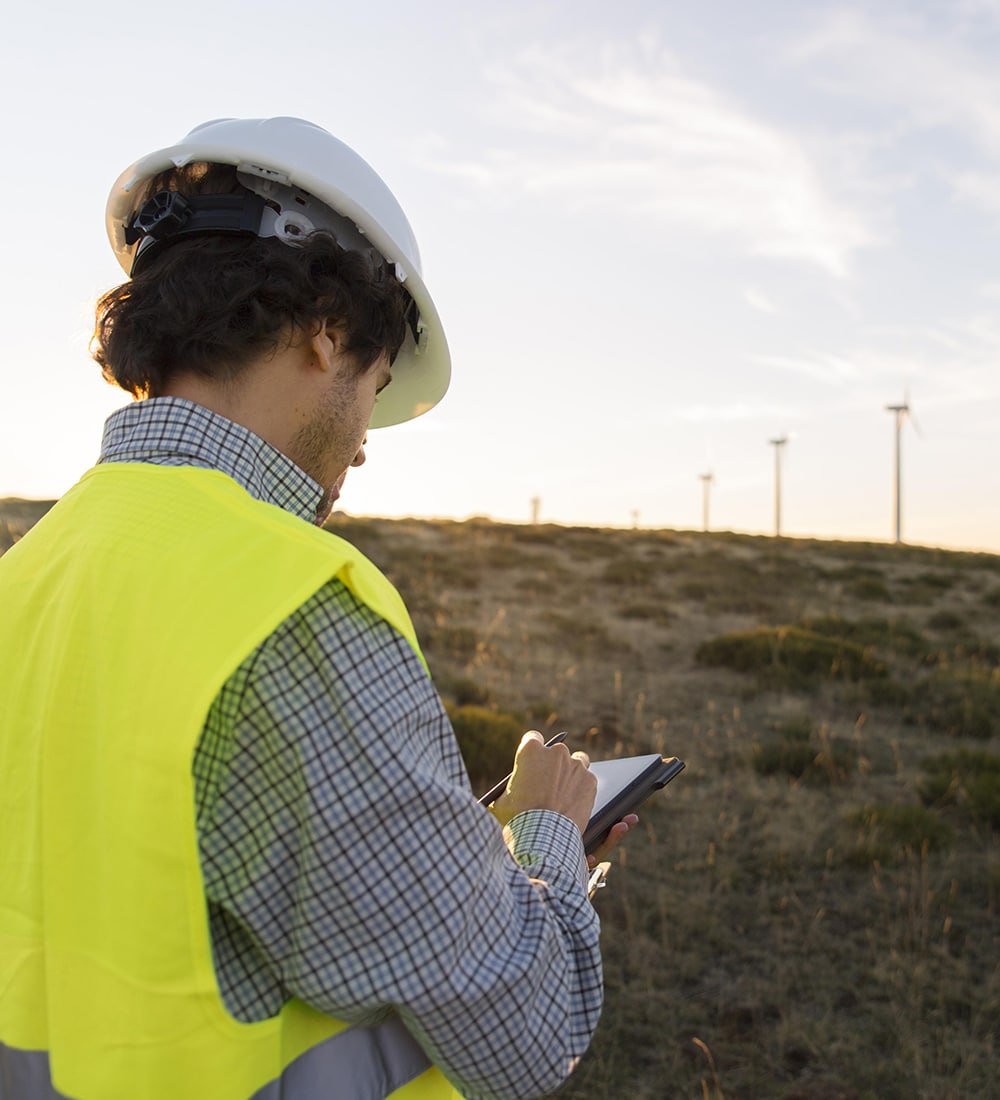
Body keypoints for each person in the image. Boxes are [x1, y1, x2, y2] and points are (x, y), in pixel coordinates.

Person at [0, 117, 635, 1100]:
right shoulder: (287, 608)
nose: (367, 444)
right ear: (329, 325)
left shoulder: (30, 572)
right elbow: (524, 1032)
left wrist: (447, 842)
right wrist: (546, 831)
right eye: (374, 391)